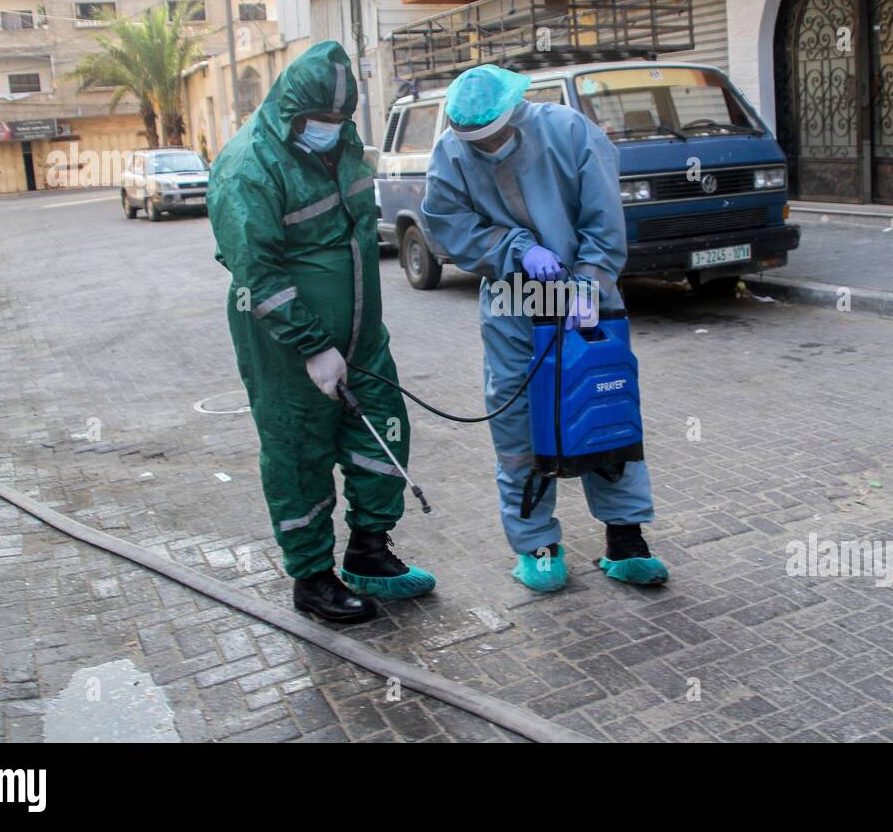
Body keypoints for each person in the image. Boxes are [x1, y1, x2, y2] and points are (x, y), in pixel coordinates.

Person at [207, 41, 435, 624]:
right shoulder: (248, 167)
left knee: (381, 432)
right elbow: (256, 273)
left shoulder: (345, 148)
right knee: (298, 451)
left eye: (339, 120)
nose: (330, 130)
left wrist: (353, 335)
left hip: (362, 334)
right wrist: (312, 345)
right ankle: (312, 578)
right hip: (285, 347)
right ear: (290, 111)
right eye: (320, 121)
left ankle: (369, 552)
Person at [422, 64, 668, 592]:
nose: (486, 148)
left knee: (604, 408)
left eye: (493, 136)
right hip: (513, 297)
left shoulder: (570, 132)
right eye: (475, 141)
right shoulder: (451, 151)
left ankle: (626, 541)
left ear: (516, 112)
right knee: (518, 423)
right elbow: (448, 224)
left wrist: (587, 285)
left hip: (586, 294)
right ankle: (537, 545)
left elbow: (604, 219)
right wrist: (516, 250)